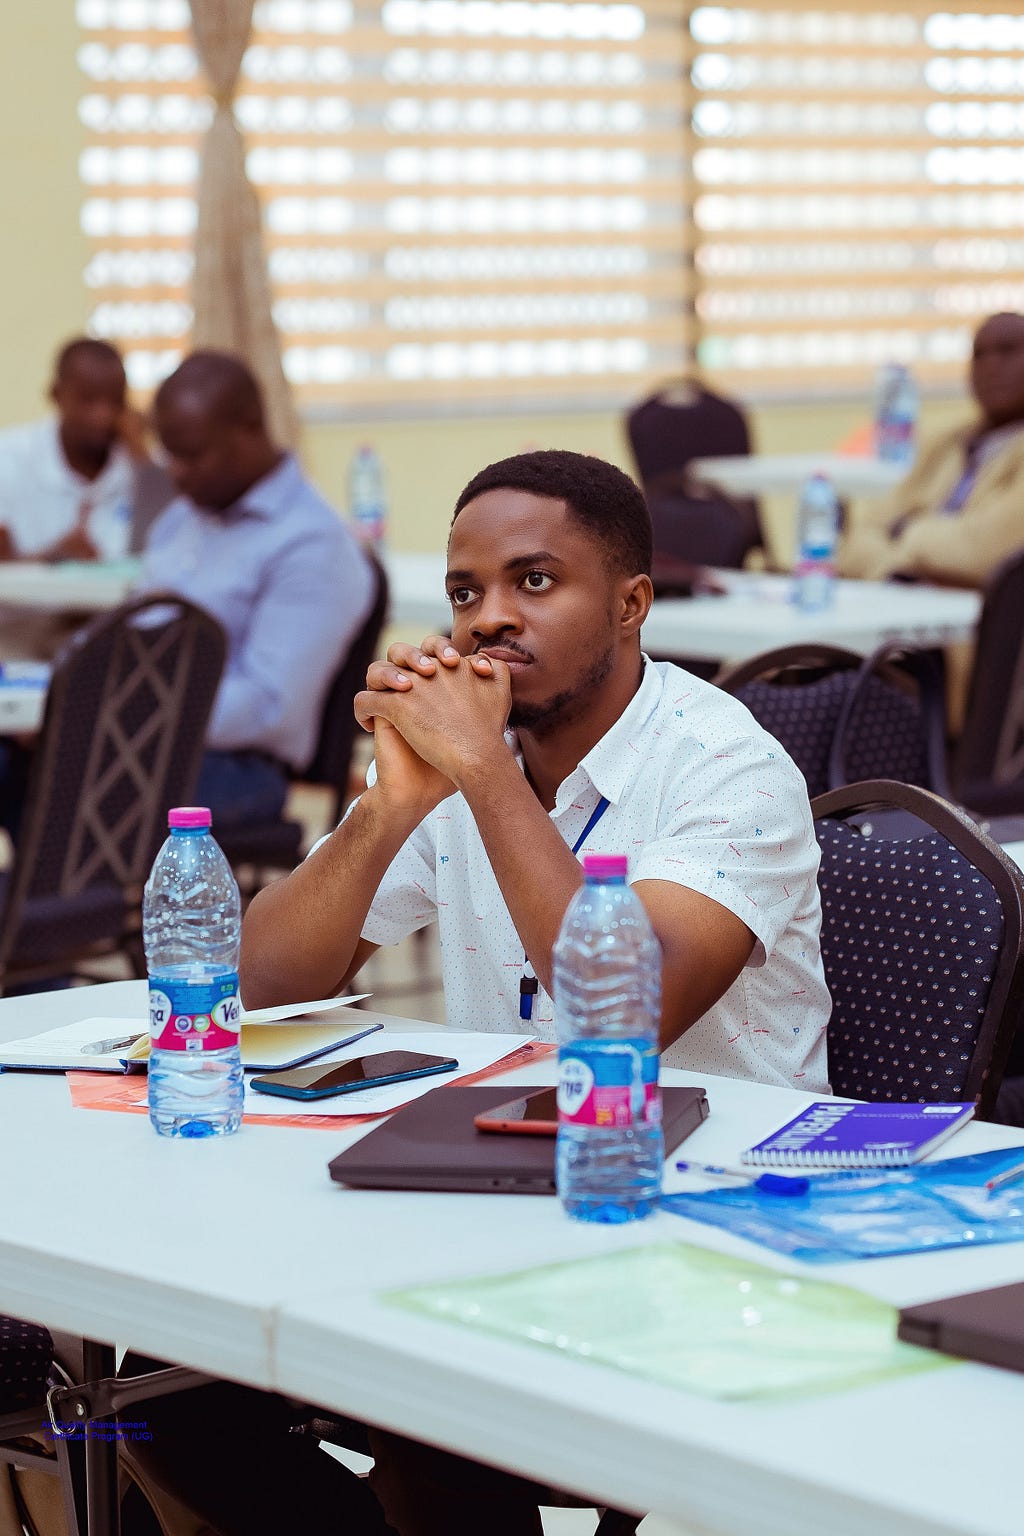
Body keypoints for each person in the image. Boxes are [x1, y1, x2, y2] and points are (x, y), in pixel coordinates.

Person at [238, 447, 831, 1536]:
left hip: (694, 1229)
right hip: (487, 1212)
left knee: (430, 1427)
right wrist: (390, 805)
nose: (487, 621)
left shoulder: (729, 771)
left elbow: (623, 1014)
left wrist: (483, 778)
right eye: (466, 592)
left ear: (632, 604)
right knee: (197, 1389)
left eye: (535, 582)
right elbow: (252, 988)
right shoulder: (470, 761)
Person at [134, 349, 375, 828]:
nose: (175, 474)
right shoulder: (183, 519)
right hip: (149, 743)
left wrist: (134, 714)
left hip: (239, 767)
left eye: (191, 454)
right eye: (169, 454)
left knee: (64, 787)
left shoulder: (310, 543)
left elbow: (270, 709)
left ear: (248, 428)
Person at [839, 312, 1024, 588]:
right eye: (979, 355)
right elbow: (859, 537)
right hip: (905, 608)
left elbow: (982, 553)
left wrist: (907, 532)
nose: (990, 366)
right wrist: (896, 571)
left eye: (1007, 352)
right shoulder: (945, 444)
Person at [0, 336, 142, 564]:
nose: (103, 416)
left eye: (116, 401)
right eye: (88, 400)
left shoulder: (139, 467)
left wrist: (144, 461)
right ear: (56, 394)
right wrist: (47, 560)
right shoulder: (8, 458)